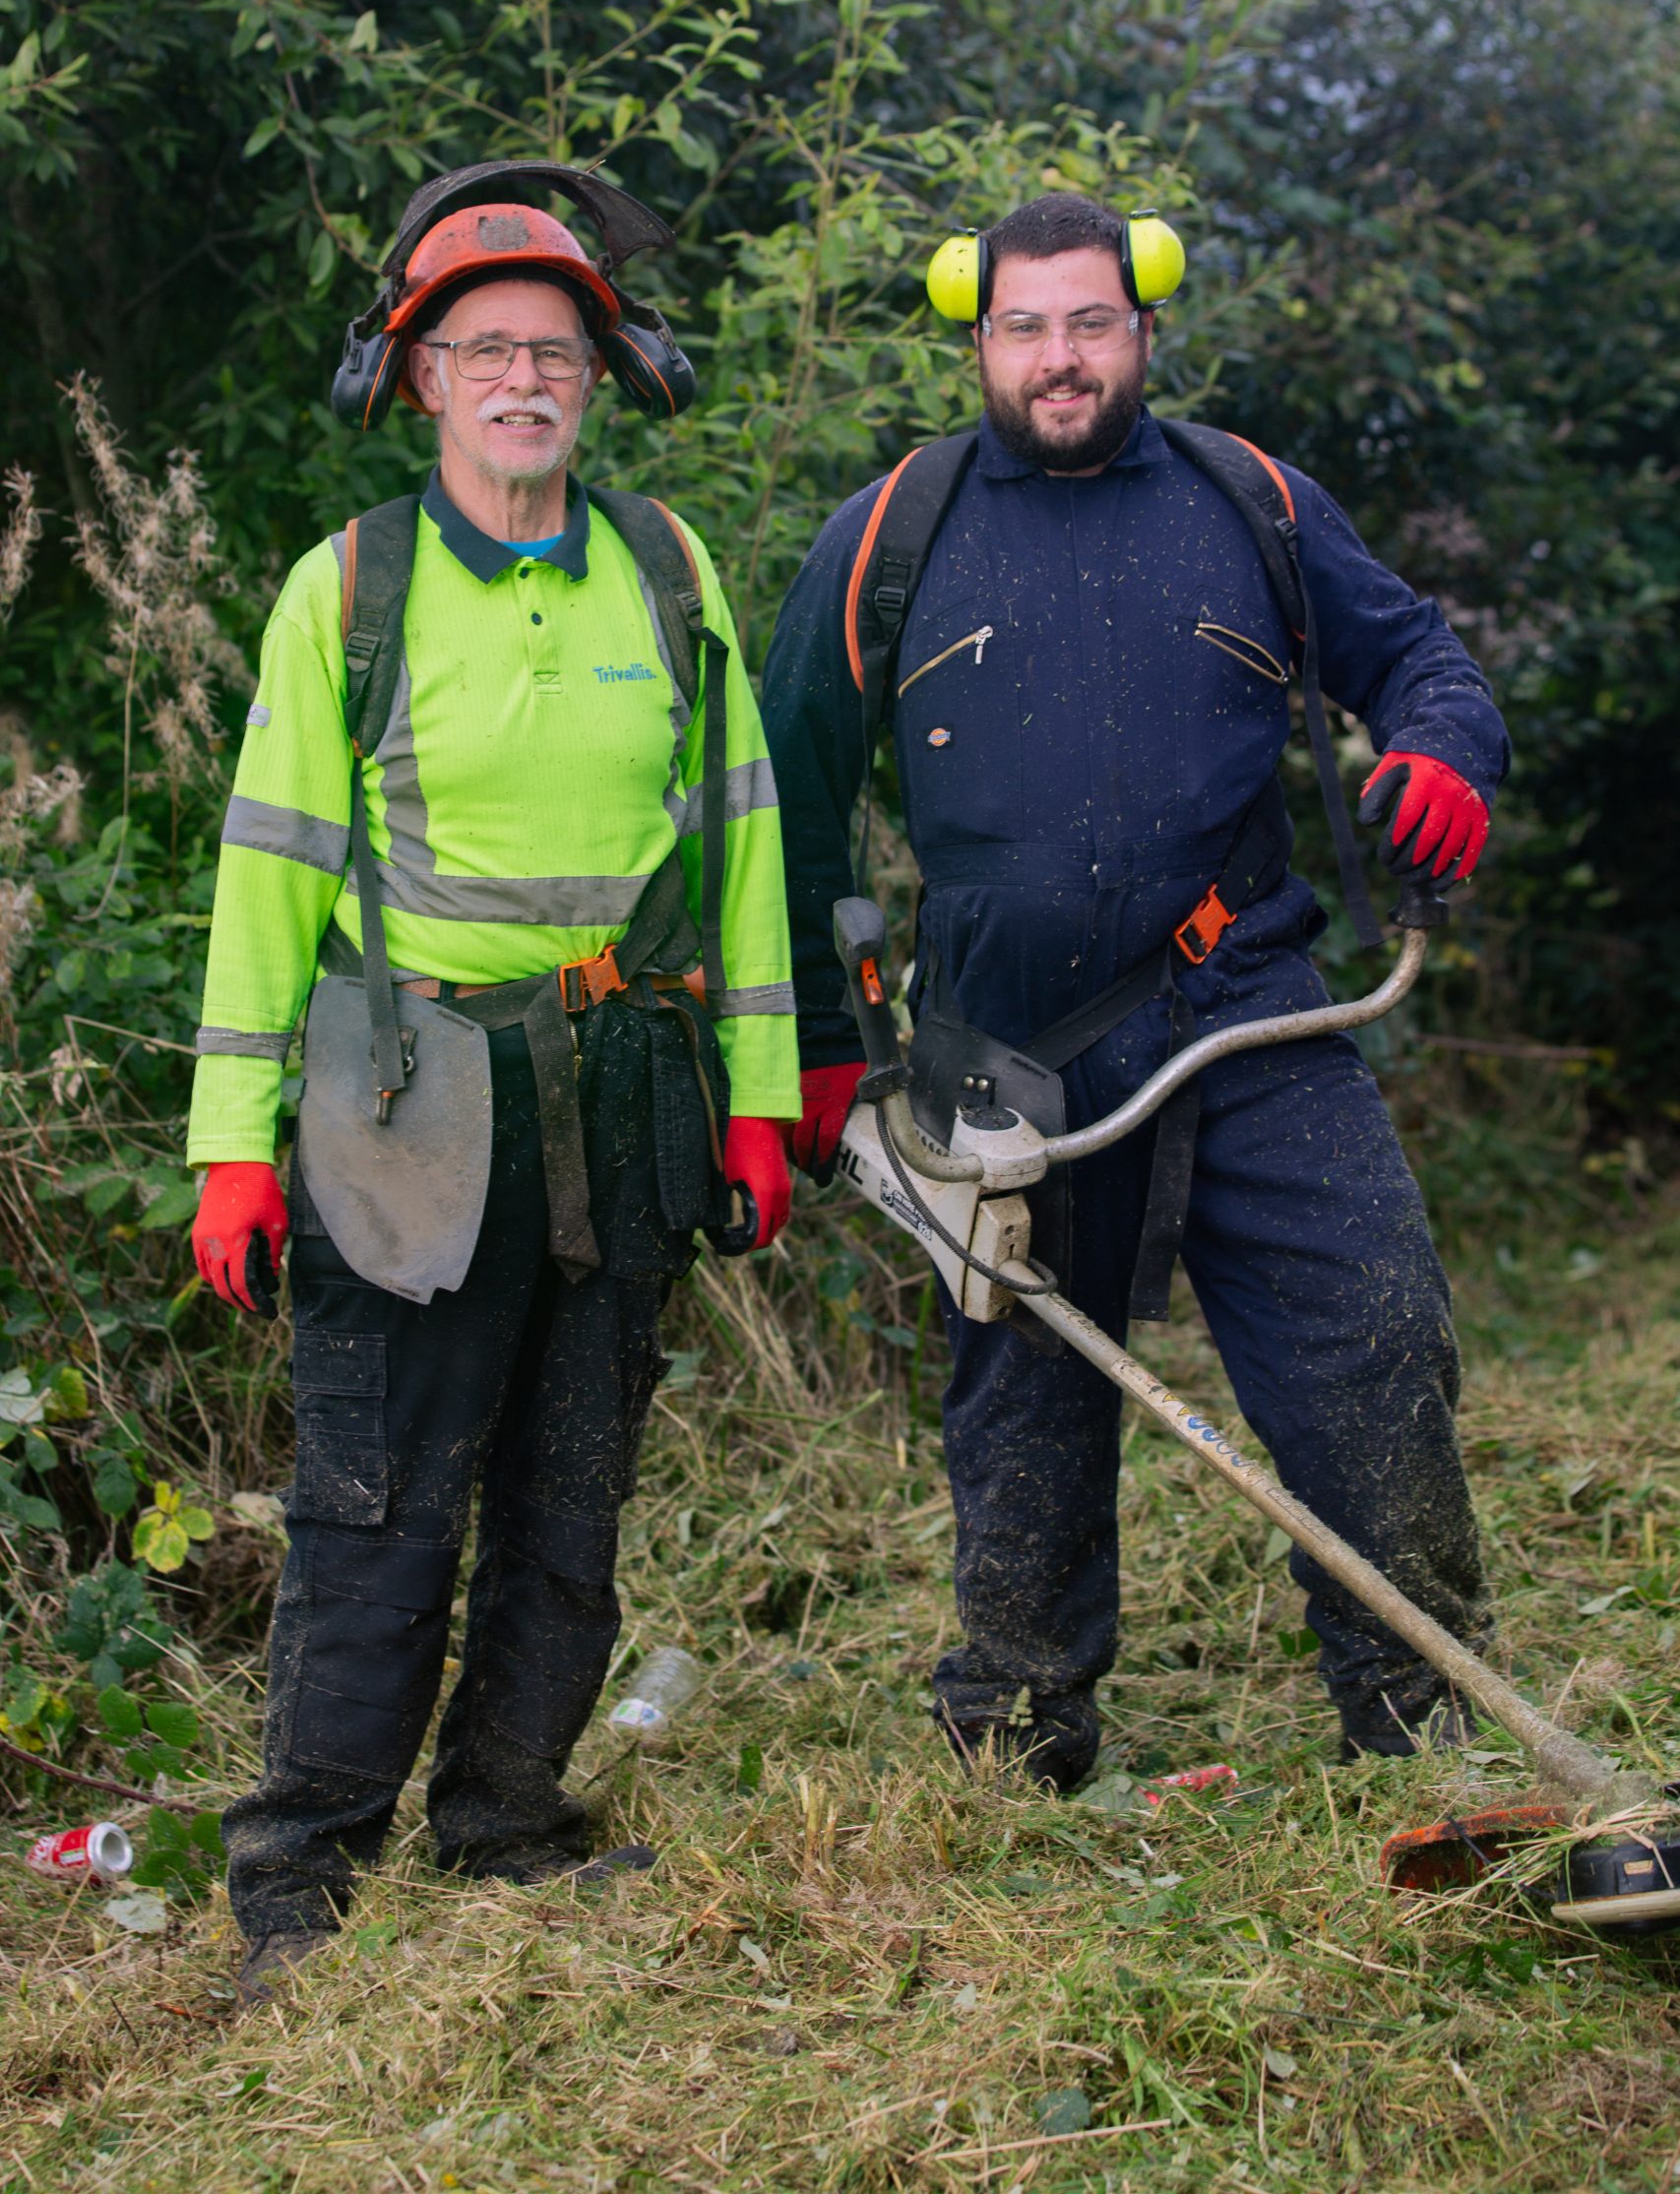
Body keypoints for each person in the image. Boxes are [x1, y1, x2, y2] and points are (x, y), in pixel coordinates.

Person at [760, 190, 1506, 1791]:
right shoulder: (891, 533)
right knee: (1021, 1397)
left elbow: (1419, 657)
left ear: (1145, 326)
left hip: (1251, 1010)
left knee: (1375, 1334)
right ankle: (1020, 1738)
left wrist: (1448, 749)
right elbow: (787, 793)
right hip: (995, 1044)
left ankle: (1425, 1717)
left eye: (1091, 323)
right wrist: (824, 1048)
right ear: (979, 339)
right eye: (1025, 329)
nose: (1060, 359)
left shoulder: (1252, 502)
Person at [188, 166, 798, 2001]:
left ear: (599, 380)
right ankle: (301, 1875)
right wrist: (233, 1150)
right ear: (423, 380)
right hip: (413, 1086)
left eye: (554, 349)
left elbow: (745, 850)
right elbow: (269, 870)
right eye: (485, 351)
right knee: (377, 1494)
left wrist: (757, 1097)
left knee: (571, 1483)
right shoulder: (347, 586)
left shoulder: (671, 571)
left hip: (626, 1071)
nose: (524, 379)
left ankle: (510, 1821)